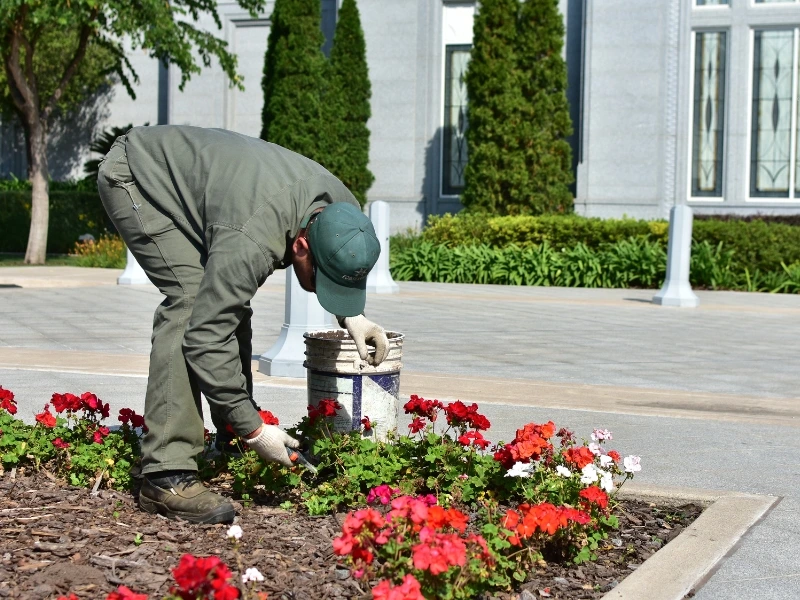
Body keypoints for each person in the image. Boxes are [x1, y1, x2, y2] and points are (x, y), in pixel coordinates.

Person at [97, 125, 389, 524]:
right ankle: (166, 473)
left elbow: (334, 261)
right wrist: (256, 430)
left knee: (224, 303)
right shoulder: (251, 236)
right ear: (301, 246)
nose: (322, 288)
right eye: (322, 280)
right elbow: (204, 336)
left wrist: (351, 314)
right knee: (192, 304)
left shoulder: (344, 212)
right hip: (138, 176)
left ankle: (229, 436)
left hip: (216, 188)